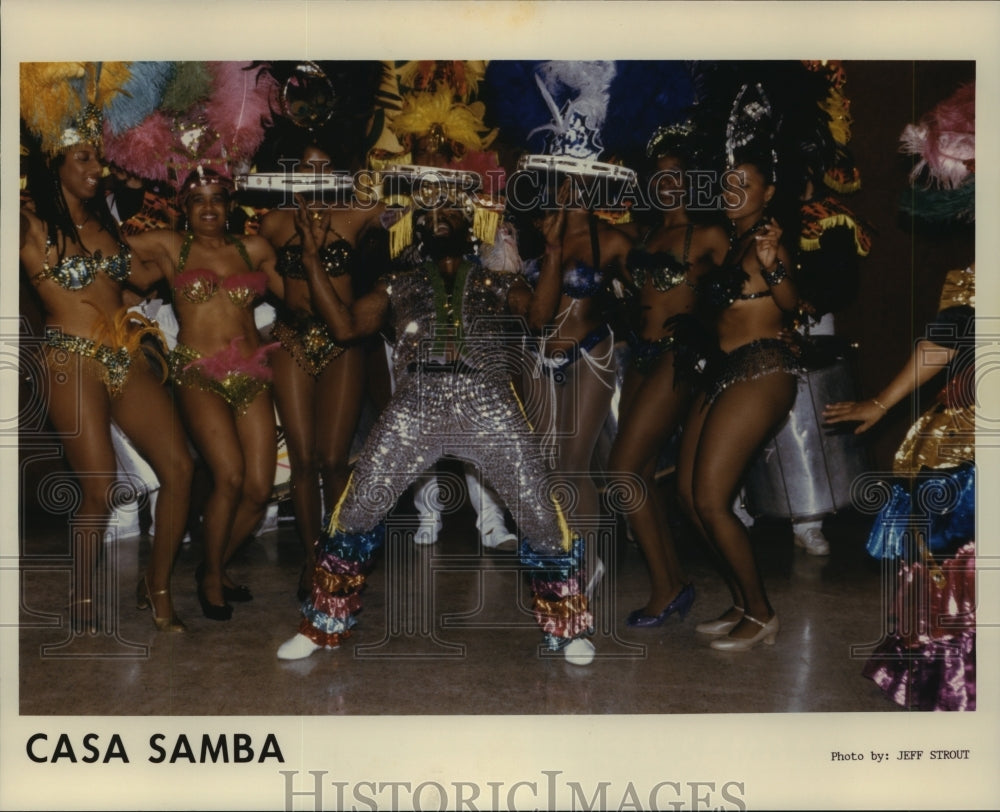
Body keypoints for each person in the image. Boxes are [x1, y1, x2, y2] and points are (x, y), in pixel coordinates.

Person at [276, 181, 598, 665]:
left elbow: (538, 315)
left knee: (540, 514)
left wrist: (551, 250)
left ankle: (569, 628)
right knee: (354, 511)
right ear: (416, 228)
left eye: (451, 209)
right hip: (416, 406)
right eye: (427, 212)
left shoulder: (497, 280)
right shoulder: (395, 282)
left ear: (473, 225)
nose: (439, 216)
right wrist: (311, 259)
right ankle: (322, 624)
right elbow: (344, 328)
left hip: (488, 402)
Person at [19, 120, 194, 633]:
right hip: (68, 361)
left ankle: (157, 586)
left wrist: (189, 248)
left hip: (123, 352)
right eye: (82, 160)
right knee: (99, 488)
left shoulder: (104, 225)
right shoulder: (29, 228)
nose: (98, 169)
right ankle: (81, 594)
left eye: (99, 158)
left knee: (179, 469)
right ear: (53, 166)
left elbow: (137, 277)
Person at [126, 168, 284, 621]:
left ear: (231, 204)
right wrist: (131, 188)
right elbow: (106, 250)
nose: (210, 208)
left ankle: (209, 566)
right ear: (184, 208)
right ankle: (212, 576)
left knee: (257, 491)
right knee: (229, 476)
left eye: (218, 198)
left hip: (251, 371)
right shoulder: (169, 245)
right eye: (198, 200)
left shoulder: (252, 249)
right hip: (198, 374)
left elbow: (294, 291)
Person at [824, 264, 975, 708]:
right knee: (957, 557)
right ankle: (953, 679)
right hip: (968, 445)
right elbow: (946, 340)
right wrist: (880, 403)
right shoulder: (978, 275)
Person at [675, 155, 803, 651]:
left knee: (710, 498)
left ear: (768, 192)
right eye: (727, 183)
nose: (733, 192)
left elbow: (791, 301)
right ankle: (741, 601)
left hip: (763, 367)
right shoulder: (731, 245)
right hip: (725, 370)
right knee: (687, 497)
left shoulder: (769, 241)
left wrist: (775, 268)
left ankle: (763, 612)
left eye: (744, 185)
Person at [609, 126, 729, 626]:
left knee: (622, 472)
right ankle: (674, 581)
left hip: (681, 357)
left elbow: (746, 283)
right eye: (659, 178)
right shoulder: (644, 235)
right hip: (639, 354)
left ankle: (666, 587)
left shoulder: (710, 236)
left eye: (676, 177)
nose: (667, 186)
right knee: (640, 476)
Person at [258, 142, 385, 600]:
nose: (315, 173)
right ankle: (314, 562)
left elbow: (405, 200)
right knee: (303, 461)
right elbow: (252, 264)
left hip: (343, 341)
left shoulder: (356, 213)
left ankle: (342, 557)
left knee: (334, 461)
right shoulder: (273, 223)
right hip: (291, 338)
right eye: (306, 164)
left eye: (324, 164)